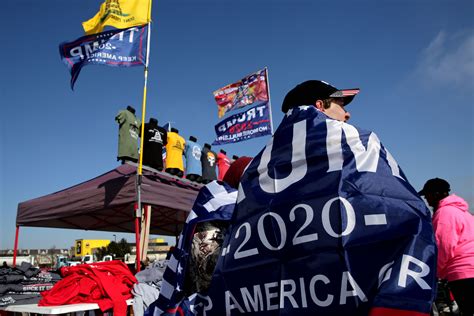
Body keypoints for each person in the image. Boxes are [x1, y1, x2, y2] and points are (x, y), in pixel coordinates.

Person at [419, 178, 474, 315]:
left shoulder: (445, 212)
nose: (426, 199)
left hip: (462, 272)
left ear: (436, 194)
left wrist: (435, 272)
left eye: (428, 195)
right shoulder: (464, 213)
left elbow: (443, 245)